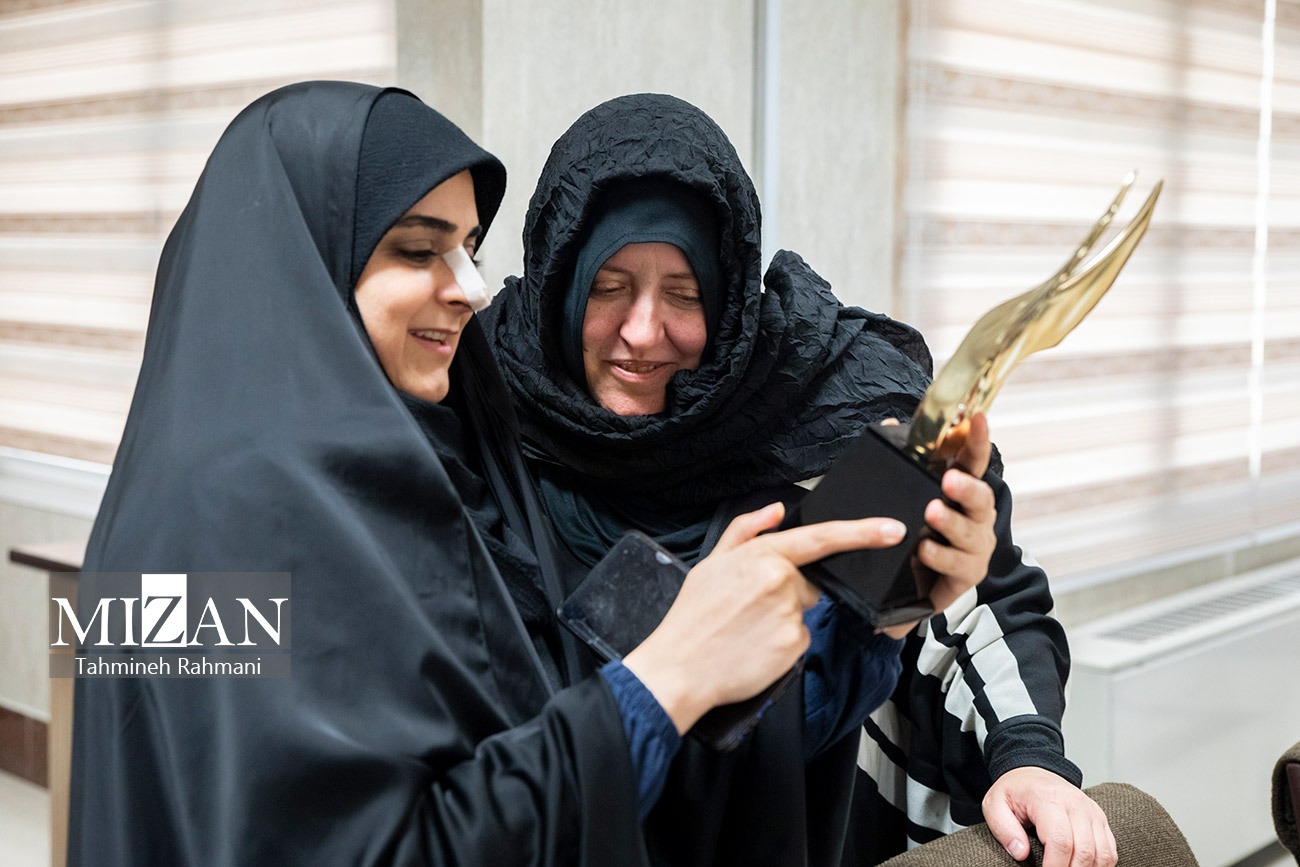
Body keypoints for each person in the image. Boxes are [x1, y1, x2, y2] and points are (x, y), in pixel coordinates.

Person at [67, 81, 922, 866]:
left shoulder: (420, 467)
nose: (472, 288)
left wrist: (877, 612)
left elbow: (572, 736)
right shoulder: (222, 520)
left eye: (469, 247)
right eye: (417, 249)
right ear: (294, 259)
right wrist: (664, 677)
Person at [484, 92, 1117, 866]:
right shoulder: (477, 410)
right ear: (558, 282)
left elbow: (976, 600)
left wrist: (1026, 756)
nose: (643, 332)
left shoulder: (819, 408)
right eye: (609, 287)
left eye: (684, 294)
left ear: (728, 296)